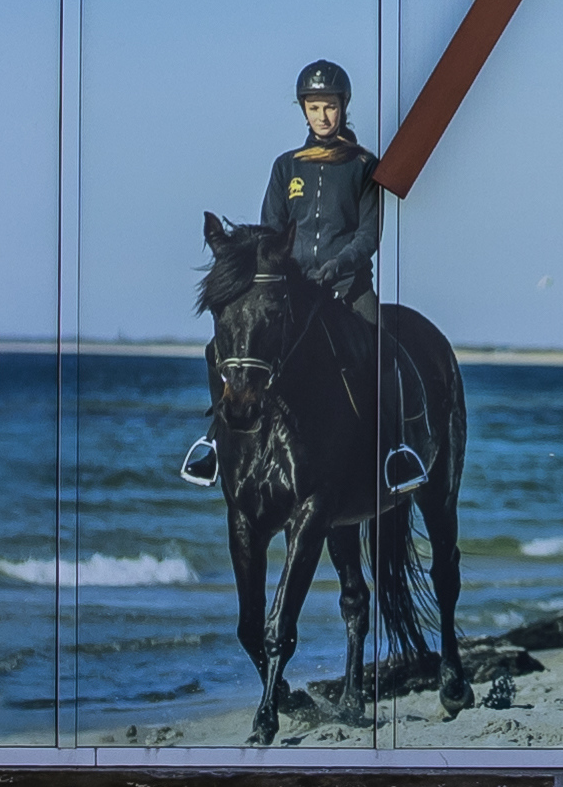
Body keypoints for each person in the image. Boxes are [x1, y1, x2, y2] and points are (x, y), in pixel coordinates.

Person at [178, 58, 424, 496]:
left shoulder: (365, 167)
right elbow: (270, 231)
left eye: (329, 106)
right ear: (304, 111)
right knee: (223, 349)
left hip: (349, 289)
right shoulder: (285, 167)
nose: (323, 116)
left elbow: (369, 234)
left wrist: (337, 266)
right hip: (296, 293)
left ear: (343, 108)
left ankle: (396, 454)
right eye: (314, 107)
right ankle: (216, 445)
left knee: (382, 356)